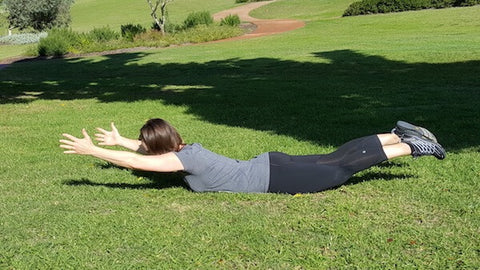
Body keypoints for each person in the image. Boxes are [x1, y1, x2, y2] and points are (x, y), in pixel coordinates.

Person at [59, 119, 445, 194]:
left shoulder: (179, 162)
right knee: (335, 156)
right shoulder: (183, 149)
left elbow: (141, 162)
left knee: (341, 169)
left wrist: (97, 150)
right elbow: (148, 152)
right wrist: (122, 139)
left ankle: (414, 146)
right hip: (271, 162)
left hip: (273, 179)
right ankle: (397, 134)